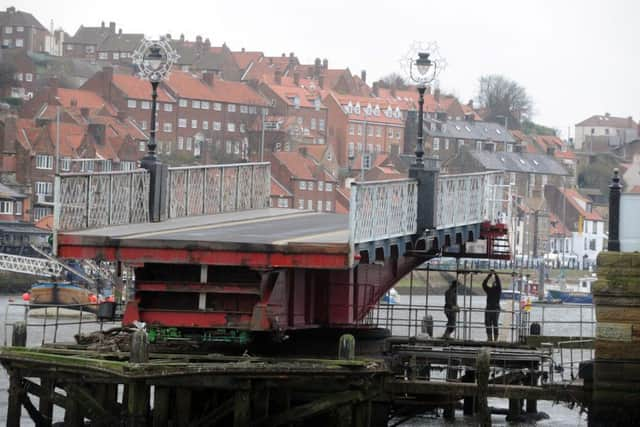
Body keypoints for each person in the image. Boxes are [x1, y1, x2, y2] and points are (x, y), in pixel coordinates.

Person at [482, 270, 502, 341]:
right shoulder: (489, 290)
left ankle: (495, 339)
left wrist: (495, 275)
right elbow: (484, 284)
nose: (495, 284)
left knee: (495, 323)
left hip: (495, 308)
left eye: (495, 283)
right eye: (494, 283)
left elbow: (499, 283)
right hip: (490, 308)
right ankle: (490, 338)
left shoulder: (498, 290)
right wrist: (489, 275)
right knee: (488, 323)